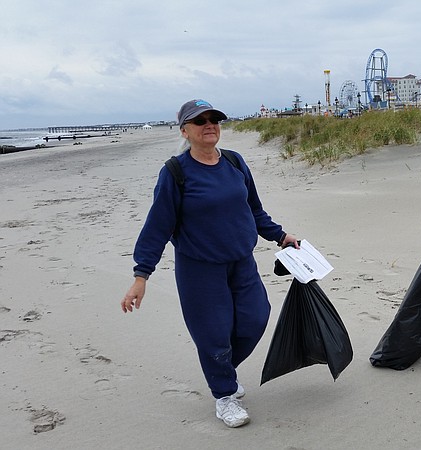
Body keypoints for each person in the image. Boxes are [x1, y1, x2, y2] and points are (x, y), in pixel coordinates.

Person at [121, 99, 299, 428]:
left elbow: (254, 210)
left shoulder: (234, 162)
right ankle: (224, 395)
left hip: (241, 262)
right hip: (199, 269)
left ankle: (222, 371)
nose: (209, 125)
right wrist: (141, 275)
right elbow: (157, 227)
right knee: (213, 334)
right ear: (185, 131)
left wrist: (280, 236)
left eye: (214, 119)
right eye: (200, 121)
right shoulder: (175, 173)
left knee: (255, 319)